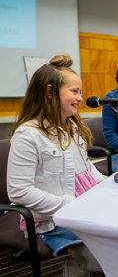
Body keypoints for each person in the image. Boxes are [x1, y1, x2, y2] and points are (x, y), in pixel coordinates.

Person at [7, 54, 104, 276]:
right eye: (74, 92)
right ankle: (75, 267)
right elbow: (19, 191)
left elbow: (86, 168)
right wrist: (70, 204)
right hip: (53, 220)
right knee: (106, 258)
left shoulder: (72, 126)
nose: (80, 97)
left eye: (80, 92)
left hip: (83, 208)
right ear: (50, 92)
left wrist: (105, 185)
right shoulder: (28, 135)